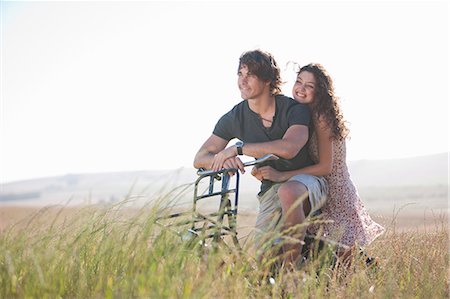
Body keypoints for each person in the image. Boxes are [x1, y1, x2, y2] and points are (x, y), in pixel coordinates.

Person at [193, 50, 328, 265]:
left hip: (306, 181)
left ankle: (291, 272)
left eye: (250, 75)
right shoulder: (235, 116)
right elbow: (200, 157)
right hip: (270, 187)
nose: (242, 81)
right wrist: (222, 159)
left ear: (267, 80)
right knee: (263, 261)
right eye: (240, 74)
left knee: (289, 190)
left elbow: (290, 147)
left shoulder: (293, 109)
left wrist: (238, 149)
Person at [251, 63, 385, 261]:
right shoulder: (299, 115)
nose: (301, 89)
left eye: (309, 86)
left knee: (343, 259)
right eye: (299, 82)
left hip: (335, 190)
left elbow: (326, 167)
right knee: (320, 251)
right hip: (313, 186)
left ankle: (369, 276)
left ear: (320, 91)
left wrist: (281, 176)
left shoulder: (321, 117)